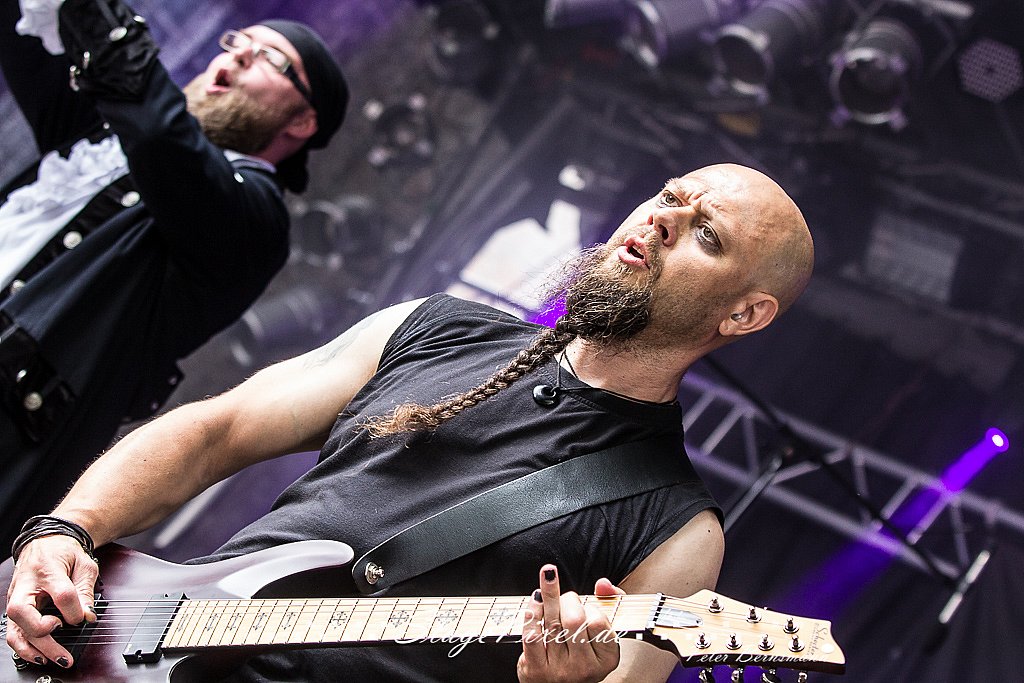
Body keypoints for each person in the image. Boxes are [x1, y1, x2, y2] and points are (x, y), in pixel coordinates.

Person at [4, 163, 815, 682]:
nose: (665, 218)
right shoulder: (437, 326)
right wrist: (68, 529)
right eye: (671, 196)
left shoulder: (676, 529)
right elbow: (214, 431)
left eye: (706, 234)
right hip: (125, 642)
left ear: (744, 313)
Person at [0, 0, 348, 550]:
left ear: (303, 121)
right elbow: (27, 39)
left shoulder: (253, 222)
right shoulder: (106, 143)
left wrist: (103, 20)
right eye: (236, 43)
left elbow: (164, 140)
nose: (235, 58)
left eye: (268, 58)